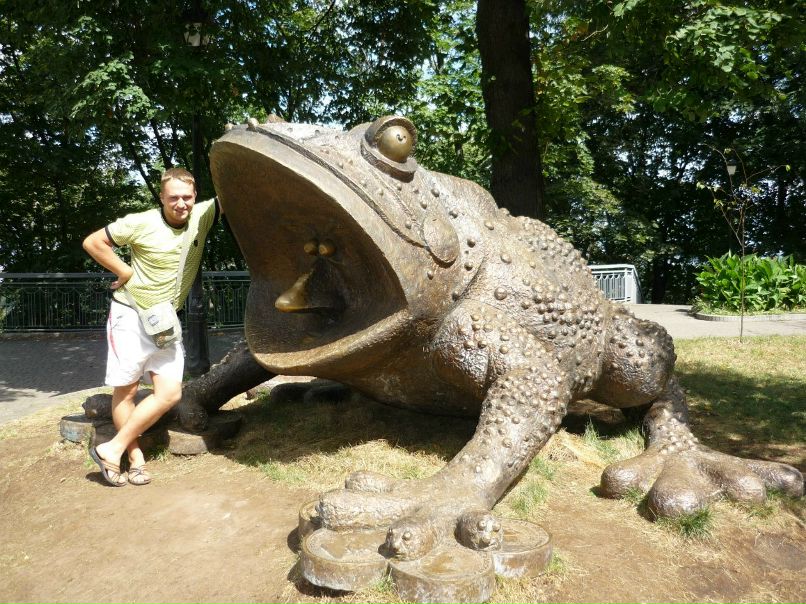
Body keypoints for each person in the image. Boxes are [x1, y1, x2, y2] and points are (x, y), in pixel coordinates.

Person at [82, 167, 221, 486]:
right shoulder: (140, 222)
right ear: (162, 197)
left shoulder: (204, 214)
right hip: (130, 314)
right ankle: (134, 458)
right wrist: (124, 271)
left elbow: (236, 189)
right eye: (173, 197)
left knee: (170, 393)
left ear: (195, 196)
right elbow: (93, 242)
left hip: (164, 320)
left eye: (187, 197)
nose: (181, 204)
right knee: (127, 390)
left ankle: (110, 448)